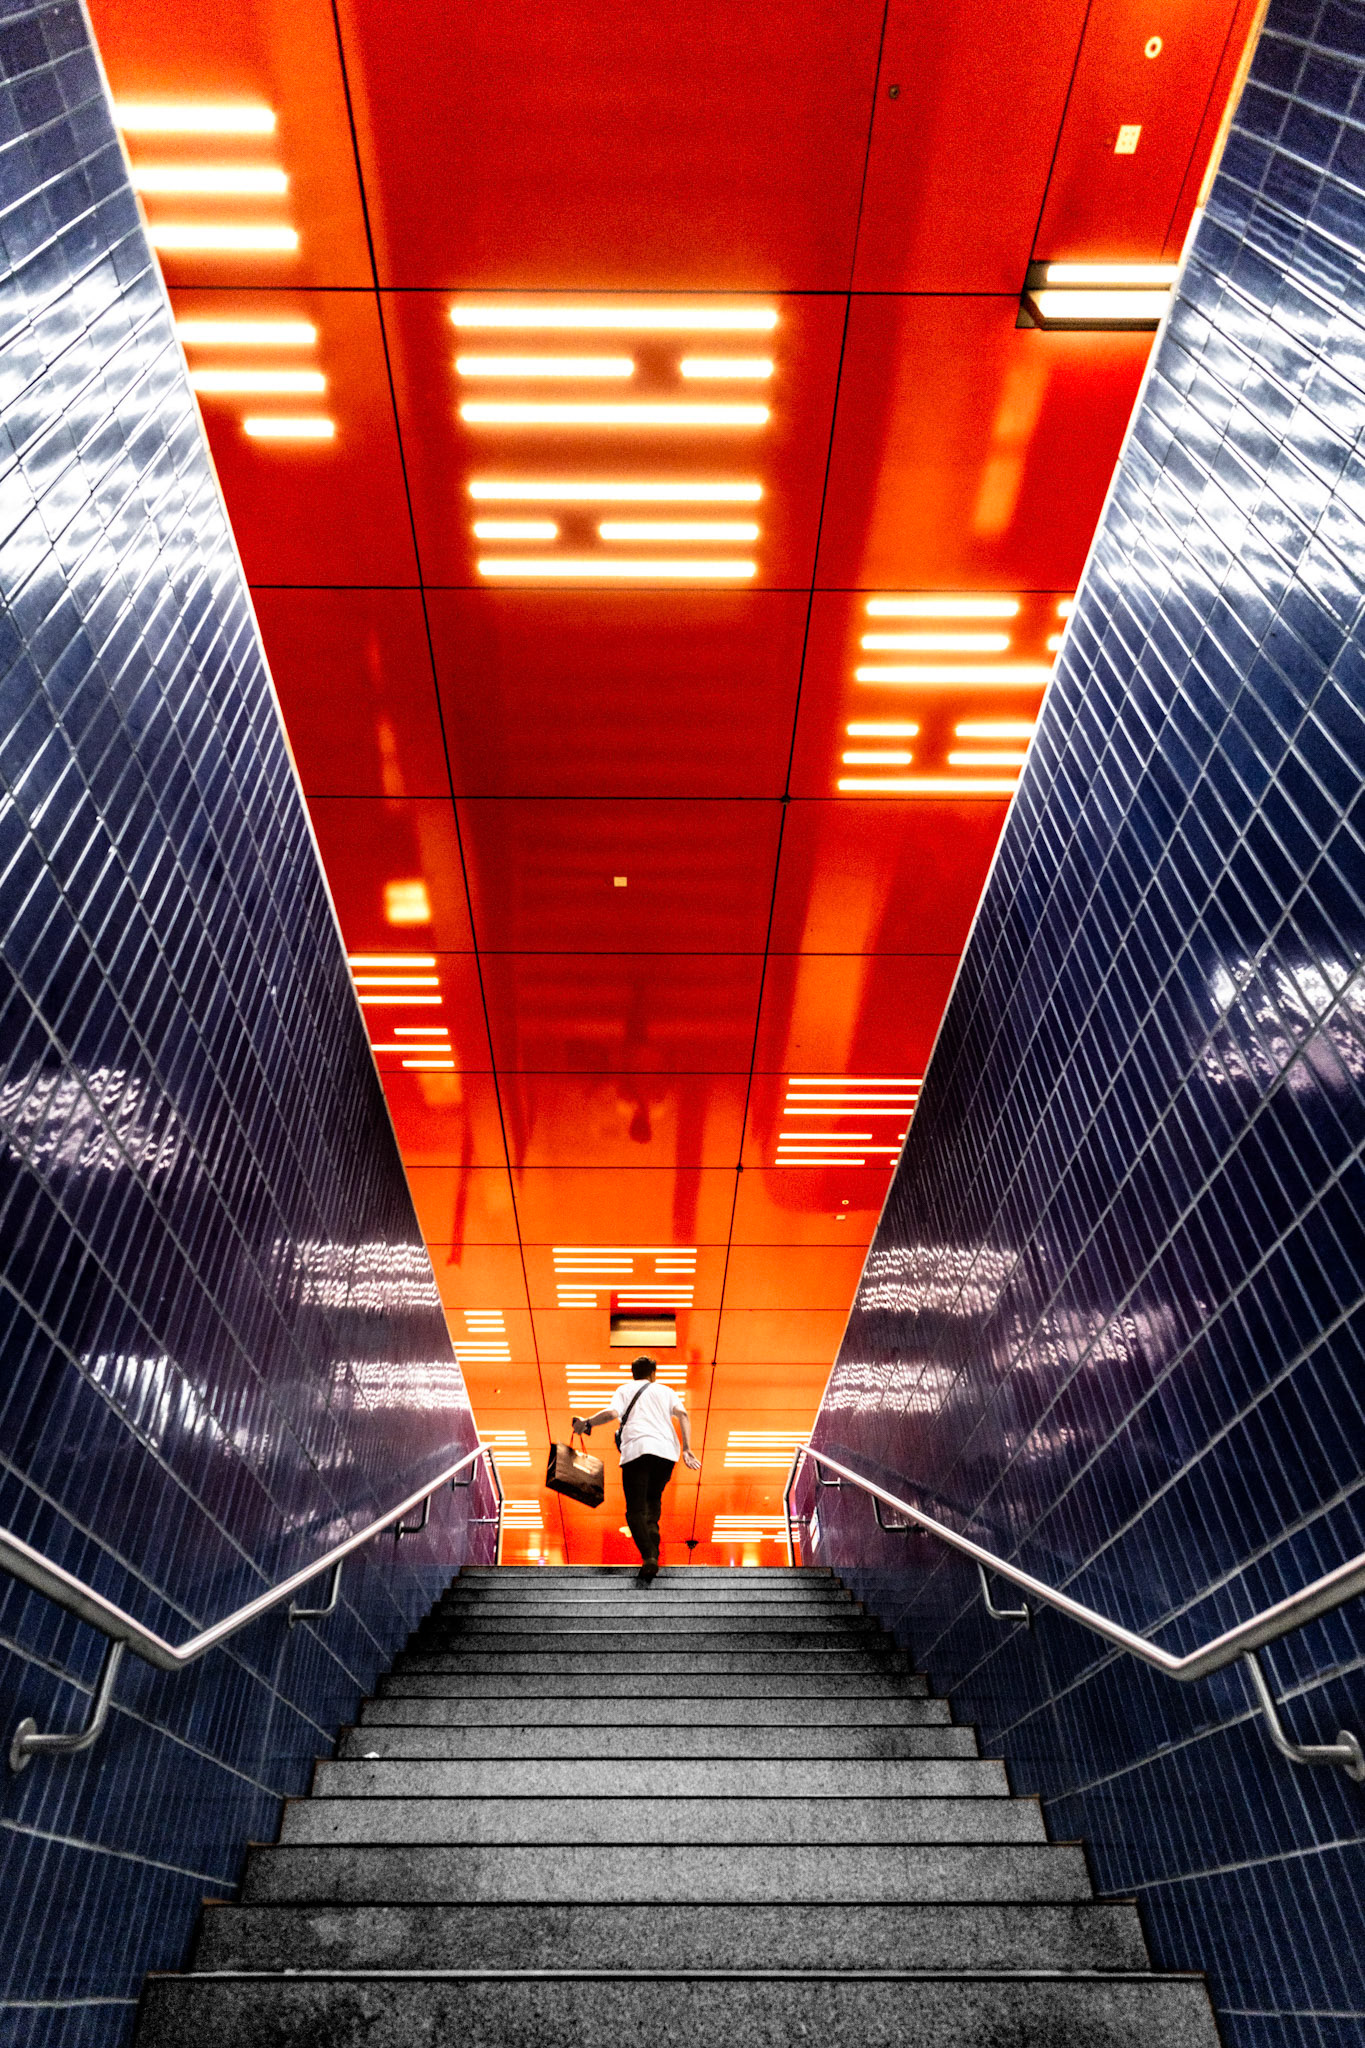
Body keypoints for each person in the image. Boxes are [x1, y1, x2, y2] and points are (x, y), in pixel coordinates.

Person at [572, 1356, 700, 1586]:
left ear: (633, 1373)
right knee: (653, 1500)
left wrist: (586, 1423)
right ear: (653, 1373)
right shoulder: (666, 1390)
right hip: (665, 1454)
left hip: (637, 1452)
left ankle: (650, 1555)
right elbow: (683, 1415)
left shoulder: (625, 1389)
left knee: (635, 1510)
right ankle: (653, 1546)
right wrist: (688, 1449)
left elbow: (612, 1414)